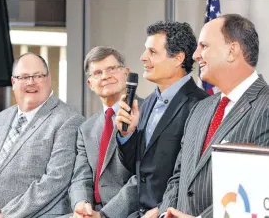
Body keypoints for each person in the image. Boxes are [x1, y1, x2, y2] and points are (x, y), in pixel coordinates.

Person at [158, 14, 269, 218]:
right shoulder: (199, 109)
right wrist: (166, 213)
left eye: (204, 46)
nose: (195, 55)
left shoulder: (265, 106)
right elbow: (179, 176)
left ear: (232, 51)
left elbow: (260, 186)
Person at [116, 21, 208, 218]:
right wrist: (127, 134)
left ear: (178, 58)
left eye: (152, 52)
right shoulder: (146, 103)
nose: (143, 57)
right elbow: (137, 168)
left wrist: (163, 209)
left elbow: (194, 175)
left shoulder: (202, 105)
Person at [0, 53, 85, 218]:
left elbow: (55, 180)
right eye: (24, 77)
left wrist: (6, 215)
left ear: (48, 79)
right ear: (13, 82)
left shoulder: (68, 120)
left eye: (38, 76)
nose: (31, 82)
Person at [68, 46, 143, 218]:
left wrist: (104, 215)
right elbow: (81, 177)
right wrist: (82, 205)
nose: (105, 76)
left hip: (129, 213)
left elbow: (143, 177)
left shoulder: (147, 113)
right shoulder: (86, 128)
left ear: (126, 73)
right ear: (90, 83)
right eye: (98, 72)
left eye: (111, 69)